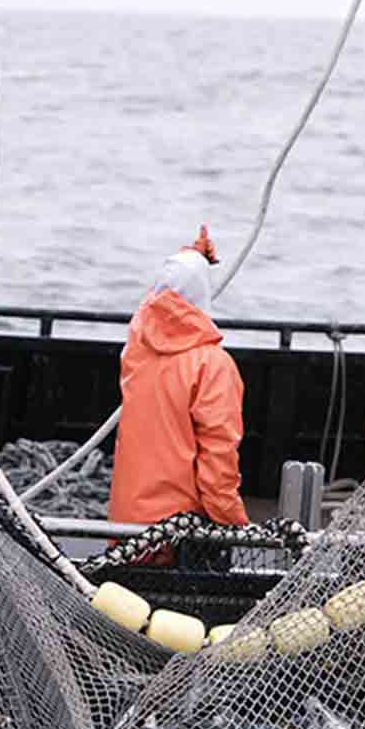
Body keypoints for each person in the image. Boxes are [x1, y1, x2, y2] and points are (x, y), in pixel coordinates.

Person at [108, 226, 251, 528]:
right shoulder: (213, 366)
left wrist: (193, 257)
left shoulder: (137, 346)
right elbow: (218, 465)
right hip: (181, 534)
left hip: (126, 526)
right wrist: (237, 526)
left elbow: (156, 300)